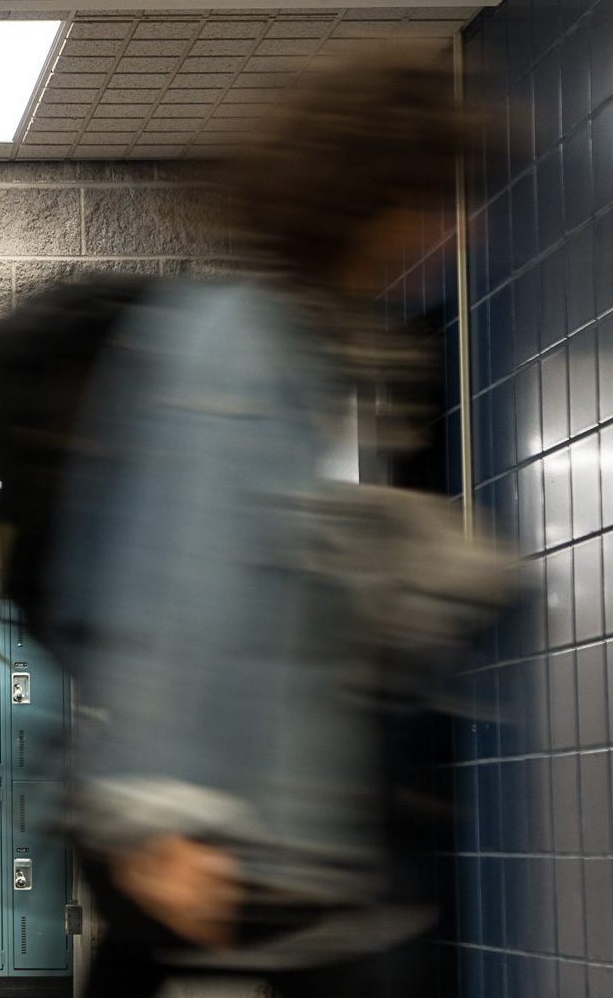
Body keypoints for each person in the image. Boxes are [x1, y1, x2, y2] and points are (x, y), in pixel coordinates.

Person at [40, 55, 506, 998]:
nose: (459, 229)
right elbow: (182, 573)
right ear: (367, 203)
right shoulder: (241, 345)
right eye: (433, 198)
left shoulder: (305, 345)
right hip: (244, 851)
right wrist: (162, 813)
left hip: (297, 847)